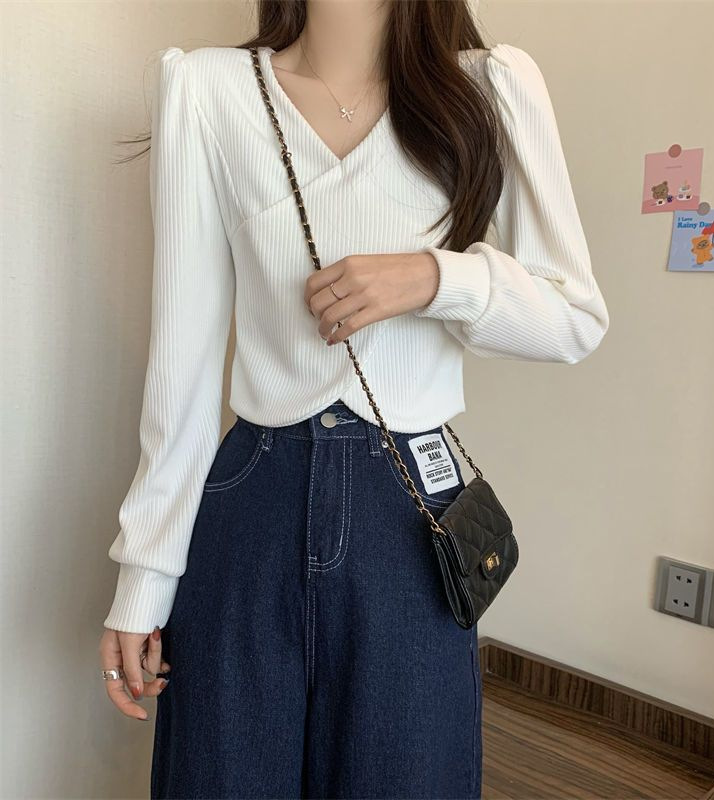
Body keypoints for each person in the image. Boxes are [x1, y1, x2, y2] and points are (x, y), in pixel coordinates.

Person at [98, 1, 610, 797]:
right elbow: (182, 366)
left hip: (408, 515)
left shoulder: (489, 89)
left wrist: (435, 277)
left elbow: (574, 317)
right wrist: (144, 577)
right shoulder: (208, 90)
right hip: (253, 498)